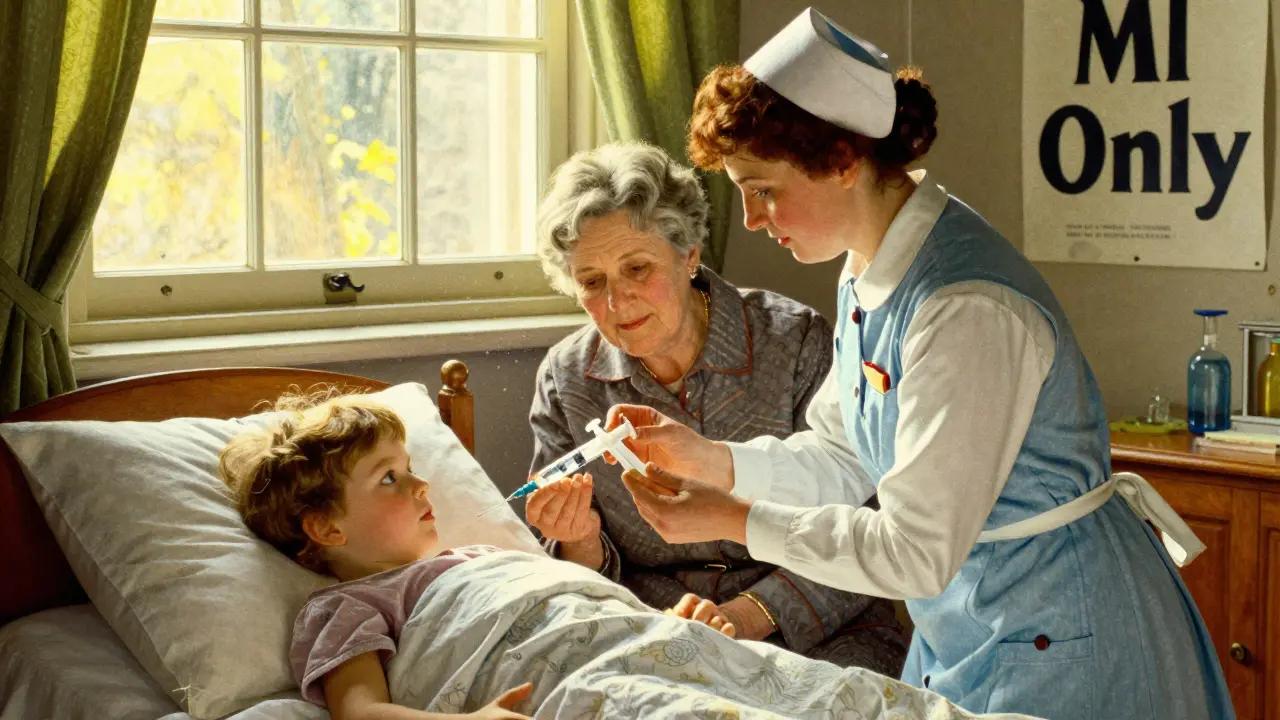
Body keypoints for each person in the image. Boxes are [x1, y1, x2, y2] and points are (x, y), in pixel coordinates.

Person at [603, 7, 1232, 720]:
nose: (750, 220)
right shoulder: (869, 269)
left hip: (1060, 623)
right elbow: (846, 455)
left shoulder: (965, 308)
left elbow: (914, 551)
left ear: (842, 161)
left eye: (763, 190)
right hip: (974, 617)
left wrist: (738, 519)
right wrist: (713, 461)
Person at [524, 141, 907, 675]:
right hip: (651, 626)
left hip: (818, 627)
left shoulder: (794, 341)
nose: (617, 302)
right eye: (592, 281)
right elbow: (568, 570)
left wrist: (745, 617)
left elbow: (864, 522)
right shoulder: (567, 379)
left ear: (690, 255)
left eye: (637, 268)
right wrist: (579, 540)